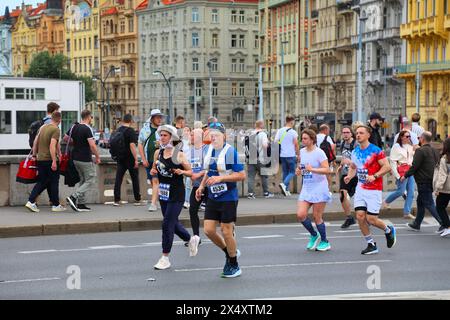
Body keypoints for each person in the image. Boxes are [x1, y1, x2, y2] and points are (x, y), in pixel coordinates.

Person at [196, 122, 246, 278]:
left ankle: (234, 264)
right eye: (211, 135)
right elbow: (209, 172)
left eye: (216, 135)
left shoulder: (230, 152)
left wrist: (221, 178)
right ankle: (229, 252)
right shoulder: (210, 149)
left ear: (224, 136)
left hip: (228, 197)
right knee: (209, 230)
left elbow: (241, 175)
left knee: (226, 231)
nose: (213, 137)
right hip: (213, 196)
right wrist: (202, 186)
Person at [150, 125, 198, 270]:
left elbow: (191, 173)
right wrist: (153, 170)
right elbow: (154, 168)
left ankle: (165, 257)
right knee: (172, 222)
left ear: (171, 137)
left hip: (177, 194)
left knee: (167, 225)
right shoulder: (158, 153)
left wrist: (181, 171)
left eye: (165, 135)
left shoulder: (179, 154)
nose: (162, 138)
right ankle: (191, 239)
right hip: (164, 193)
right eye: (161, 135)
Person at [344, 125, 396, 255]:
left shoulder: (376, 150)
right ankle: (371, 244)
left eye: (361, 133)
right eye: (357, 133)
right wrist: (350, 176)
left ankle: (388, 230)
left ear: (368, 135)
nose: (358, 135)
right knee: (360, 217)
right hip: (361, 188)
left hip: (374, 189)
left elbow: (387, 167)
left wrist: (375, 176)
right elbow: (353, 166)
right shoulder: (355, 151)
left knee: (371, 219)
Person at [296, 129, 332, 251]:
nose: (303, 140)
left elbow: (327, 169)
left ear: (312, 139)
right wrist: (299, 171)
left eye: (305, 138)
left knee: (317, 217)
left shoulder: (319, 153)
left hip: (319, 187)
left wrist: (313, 170)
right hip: (307, 187)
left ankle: (324, 241)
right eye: (302, 138)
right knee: (301, 215)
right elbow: (302, 167)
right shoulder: (302, 151)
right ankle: (313, 234)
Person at [25, 111, 66, 213]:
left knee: (43, 181)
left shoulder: (43, 127)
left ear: (51, 118)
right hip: (49, 159)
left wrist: (34, 155)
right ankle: (55, 205)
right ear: (60, 120)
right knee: (54, 182)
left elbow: (35, 142)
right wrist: (54, 161)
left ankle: (32, 201)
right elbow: (52, 145)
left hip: (40, 159)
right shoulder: (56, 129)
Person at [403, 132, 443, 232]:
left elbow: (415, 166)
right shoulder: (434, 150)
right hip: (432, 179)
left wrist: (405, 175)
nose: (418, 139)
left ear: (422, 139)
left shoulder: (420, 151)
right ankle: (416, 224)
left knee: (429, 204)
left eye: (419, 138)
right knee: (420, 202)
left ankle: (444, 223)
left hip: (423, 180)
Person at [65, 110, 101, 212]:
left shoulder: (74, 127)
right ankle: (73, 196)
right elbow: (92, 145)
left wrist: (76, 142)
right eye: (91, 117)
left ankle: (81, 204)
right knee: (91, 179)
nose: (91, 119)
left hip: (75, 158)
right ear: (89, 117)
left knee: (83, 180)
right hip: (85, 158)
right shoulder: (87, 129)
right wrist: (97, 157)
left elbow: (65, 138)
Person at [382, 130, 416, 219]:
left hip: (410, 170)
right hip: (401, 171)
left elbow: (411, 159)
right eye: (406, 136)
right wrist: (397, 175)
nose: (409, 138)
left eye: (409, 136)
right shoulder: (396, 146)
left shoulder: (410, 146)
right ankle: (386, 202)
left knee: (411, 193)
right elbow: (392, 162)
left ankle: (406, 212)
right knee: (401, 191)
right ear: (401, 137)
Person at [113, 114, 145, 206]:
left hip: (120, 157)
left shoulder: (118, 130)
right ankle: (137, 199)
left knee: (118, 178)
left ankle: (117, 199)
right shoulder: (131, 131)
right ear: (131, 121)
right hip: (130, 158)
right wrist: (136, 159)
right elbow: (132, 146)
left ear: (123, 120)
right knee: (135, 178)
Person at [138, 109, 163, 212]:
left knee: (155, 180)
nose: (159, 119)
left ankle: (153, 203)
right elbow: (140, 144)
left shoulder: (162, 129)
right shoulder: (145, 129)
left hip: (159, 161)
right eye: (157, 117)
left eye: (160, 117)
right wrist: (143, 159)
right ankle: (160, 200)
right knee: (153, 183)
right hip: (149, 160)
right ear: (152, 118)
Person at [187, 128, 208, 242]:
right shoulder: (190, 151)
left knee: (214, 212)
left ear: (200, 137)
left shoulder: (207, 149)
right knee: (192, 210)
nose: (190, 137)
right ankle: (196, 237)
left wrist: (199, 173)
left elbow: (211, 168)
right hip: (196, 186)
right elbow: (189, 167)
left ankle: (227, 230)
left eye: (192, 135)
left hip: (208, 186)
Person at [337, 126, 358, 229]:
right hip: (345, 174)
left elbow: (360, 161)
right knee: (342, 194)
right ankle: (349, 218)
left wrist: (349, 162)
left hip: (356, 174)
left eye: (347, 132)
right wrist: (341, 165)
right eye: (343, 132)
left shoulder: (356, 144)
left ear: (351, 133)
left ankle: (367, 216)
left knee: (360, 197)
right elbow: (344, 157)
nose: (345, 134)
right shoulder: (342, 144)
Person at [247, 120, 274, 199]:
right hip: (260, 158)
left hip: (251, 157)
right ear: (262, 125)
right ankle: (266, 193)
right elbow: (265, 145)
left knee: (251, 177)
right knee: (264, 176)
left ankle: (250, 194)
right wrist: (269, 143)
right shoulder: (262, 134)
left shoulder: (251, 133)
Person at [275, 115, 299, 197]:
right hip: (291, 154)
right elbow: (296, 144)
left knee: (285, 172)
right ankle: (284, 184)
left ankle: (286, 190)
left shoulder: (280, 130)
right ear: (292, 121)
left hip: (282, 155)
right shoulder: (293, 132)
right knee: (292, 172)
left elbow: (276, 141)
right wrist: (298, 154)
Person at [434, 138, 450, 237]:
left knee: (439, 207)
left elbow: (442, 176)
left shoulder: (445, 159)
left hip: (446, 188)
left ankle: (447, 227)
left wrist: (437, 188)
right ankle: (445, 226)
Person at [316, 124, 336, 190]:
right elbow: (332, 148)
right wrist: (333, 160)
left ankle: (319, 189)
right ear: (325, 130)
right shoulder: (327, 137)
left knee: (317, 174)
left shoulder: (315, 137)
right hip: (326, 159)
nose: (329, 131)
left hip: (316, 159)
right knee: (327, 173)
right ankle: (327, 189)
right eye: (328, 130)